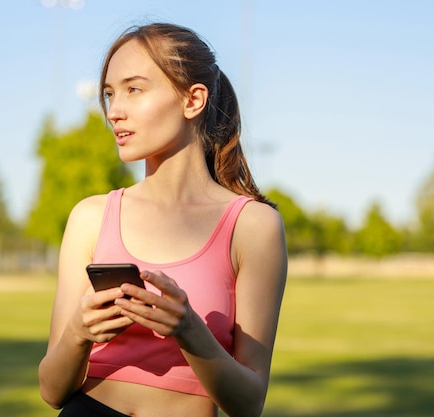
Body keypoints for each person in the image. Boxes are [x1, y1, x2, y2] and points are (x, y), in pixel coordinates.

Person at [38, 22, 287, 417]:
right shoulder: (90, 216)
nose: (114, 112)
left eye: (133, 89)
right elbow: (52, 391)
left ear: (193, 100)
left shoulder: (252, 226)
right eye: (108, 94)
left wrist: (190, 330)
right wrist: (79, 333)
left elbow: (249, 404)